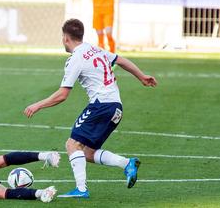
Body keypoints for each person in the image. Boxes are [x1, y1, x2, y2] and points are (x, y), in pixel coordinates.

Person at [24, 19, 157, 198]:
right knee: (87, 152)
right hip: (116, 107)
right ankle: (127, 164)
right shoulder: (95, 49)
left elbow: (63, 94)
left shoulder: (75, 59)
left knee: (72, 144)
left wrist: (38, 105)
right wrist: (141, 76)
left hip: (101, 106)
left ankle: (81, 190)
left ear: (65, 38)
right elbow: (122, 60)